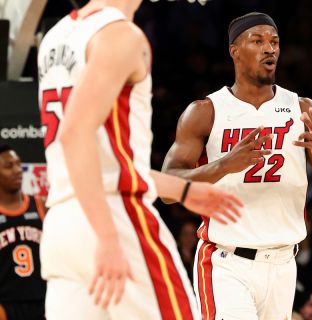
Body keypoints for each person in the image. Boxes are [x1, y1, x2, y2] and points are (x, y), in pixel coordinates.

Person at [37, 1, 243, 319]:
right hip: (113, 216)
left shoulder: (56, 36)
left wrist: (183, 190)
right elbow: (75, 135)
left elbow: (103, 160)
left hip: (63, 223)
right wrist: (106, 236)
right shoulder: (120, 35)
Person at [161, 11, 312, 320]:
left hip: (284, 263)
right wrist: (223, 165)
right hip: (226, 261)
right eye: (258, 41)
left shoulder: (303, 109)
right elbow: (167, 189)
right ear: (235, 51)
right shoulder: (206, 111)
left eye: (274, 42)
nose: (269, 48)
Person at [0, 145, 46, 320]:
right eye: (8, 166)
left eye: (18, 164)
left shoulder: (40, 205)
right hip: (7, 306)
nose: (17, 170)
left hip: (44, 303)